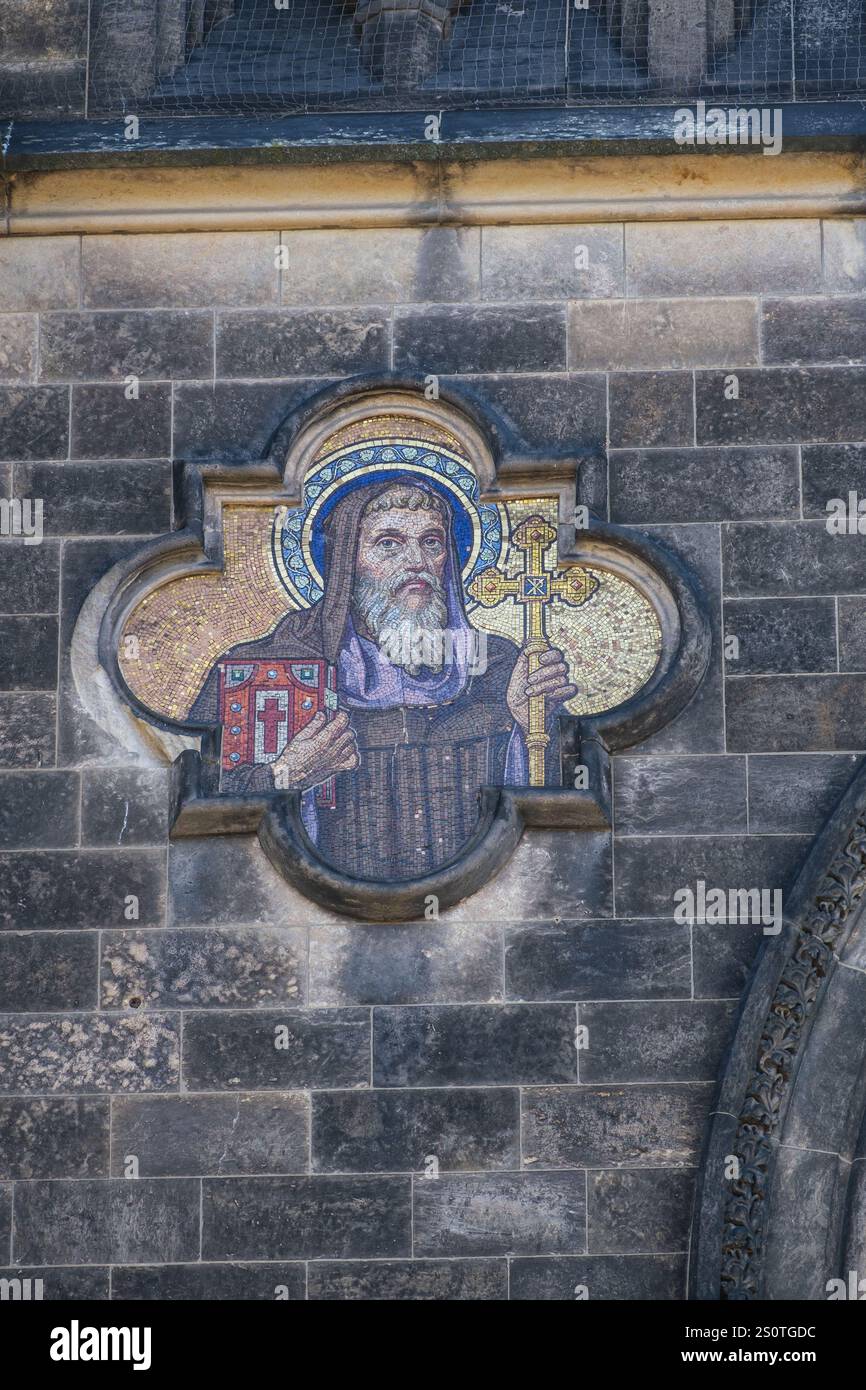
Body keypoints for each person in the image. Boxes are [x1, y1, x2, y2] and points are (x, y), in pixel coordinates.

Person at [189, 476, 575, 880]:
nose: (417, 563)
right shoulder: (264, 669)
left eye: (431, 542)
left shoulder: (496, 666)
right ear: (345, 564)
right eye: (389, 543)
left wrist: (528, 723)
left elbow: (561, 805)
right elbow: (200, 801)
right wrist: (283, 777)